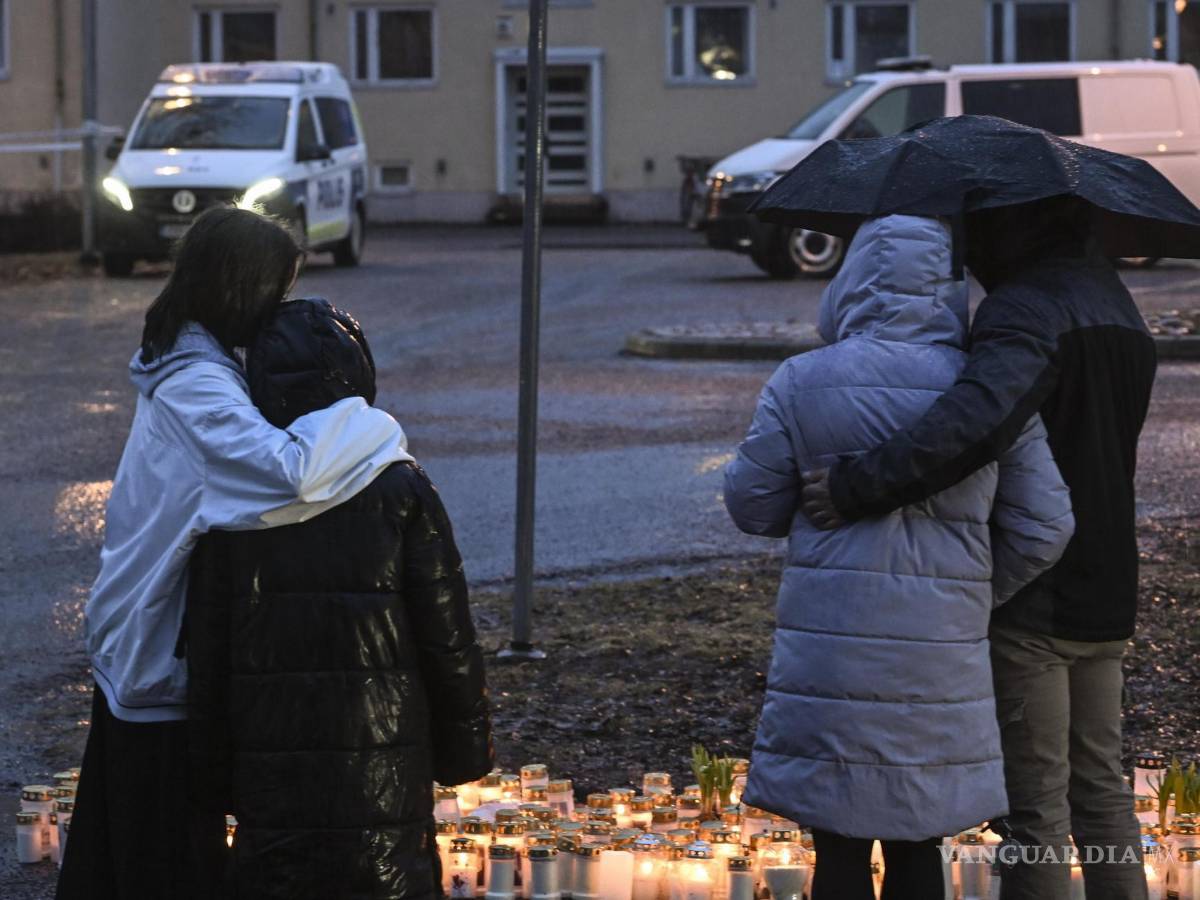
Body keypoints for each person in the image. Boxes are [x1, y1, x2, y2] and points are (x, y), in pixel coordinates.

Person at [799, 198, 1157, 899]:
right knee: (1103, 796)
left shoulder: (1026, 312)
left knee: (1033, 819)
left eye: (980, 227)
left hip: (1037, 595)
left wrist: (856, 486)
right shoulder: (1117, 305)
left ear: (1018, 226)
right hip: (1109, 584)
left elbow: (974, 424)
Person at [59, 207, 412, 900]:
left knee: (126, 843)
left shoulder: (191, 362)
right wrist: (369, 425)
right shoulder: (198, 386)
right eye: (276, 292)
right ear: (240, 289)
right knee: (161, 851)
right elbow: (284, 473)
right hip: (157, 648)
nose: (278, 312)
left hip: (145, 637)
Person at [724, 215, 1075, 900]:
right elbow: (1046, 524)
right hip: (939, 657)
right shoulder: (984, 391)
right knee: (920, 847)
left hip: (829, 661)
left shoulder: (802, 383)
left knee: (840, 852)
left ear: (851, 281)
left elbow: (752, 507)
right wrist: (970, 590)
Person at [184, 298, 493, 899]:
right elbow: (446, 636)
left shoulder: (233, 497)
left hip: (269, 768)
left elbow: (208, 647)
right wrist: (464, 749)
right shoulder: (401, 485)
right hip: (383, 763)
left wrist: (209, 769)